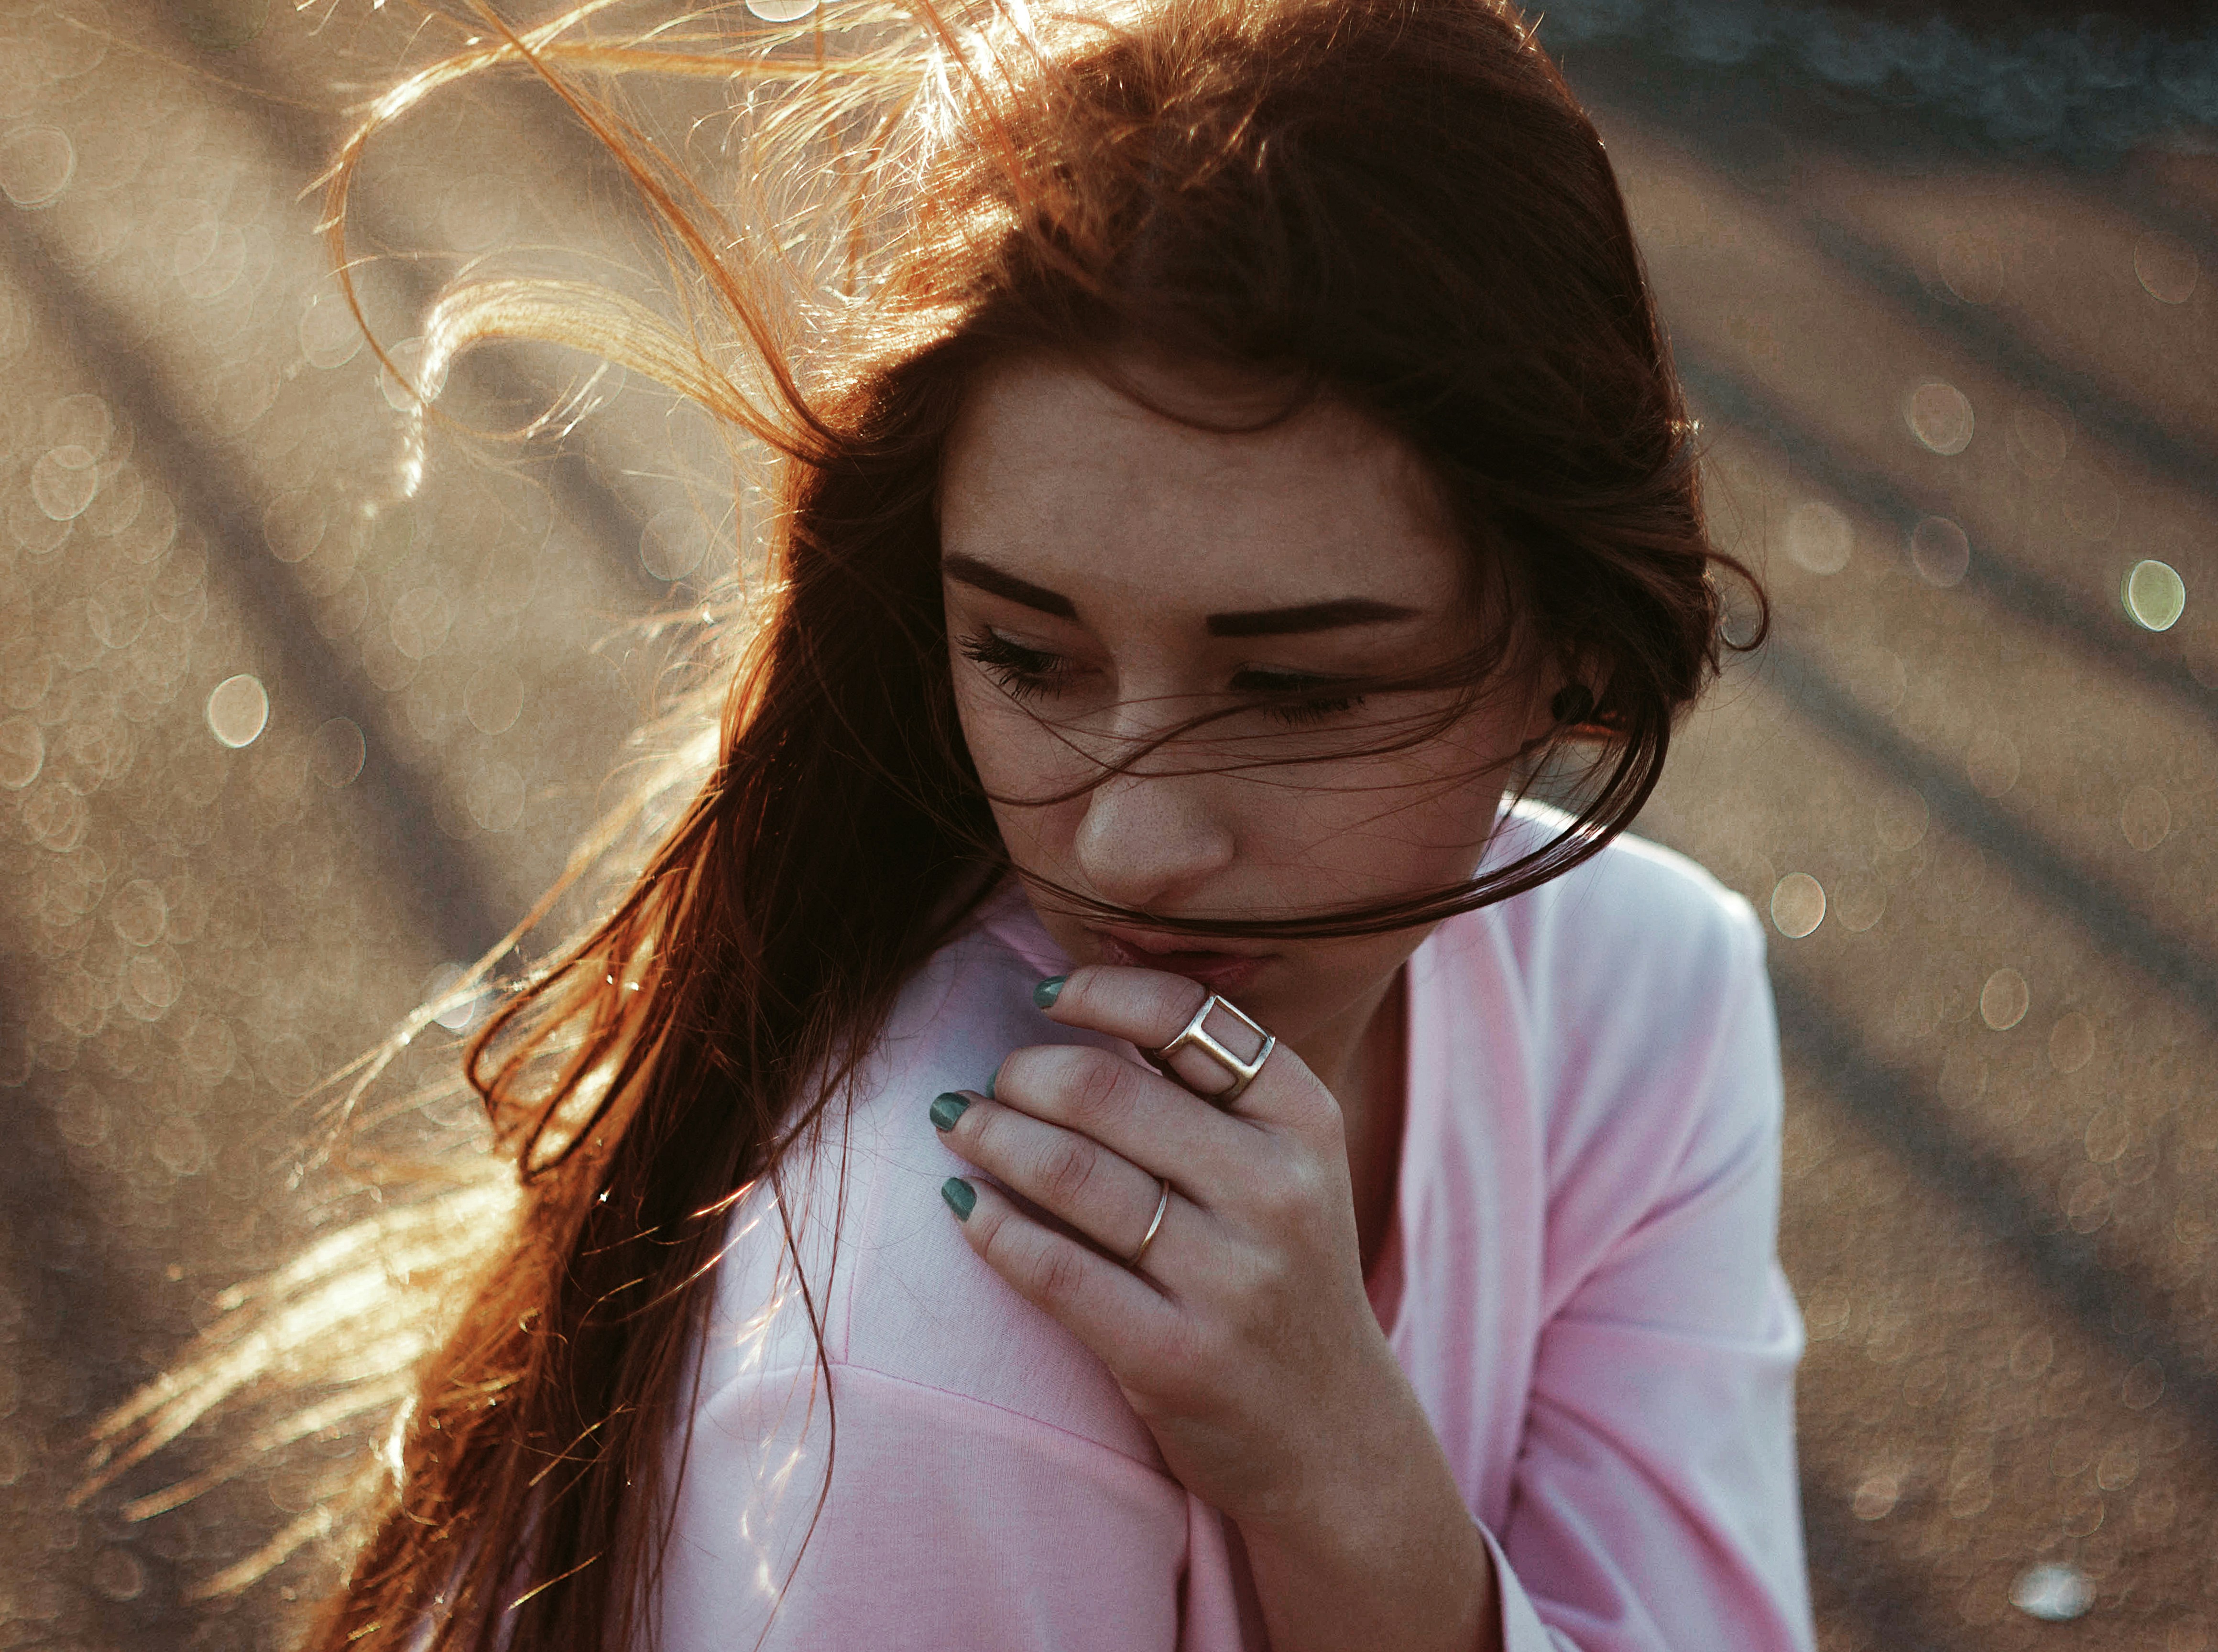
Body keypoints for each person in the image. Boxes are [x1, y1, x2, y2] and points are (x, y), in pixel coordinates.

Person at [182, 0, 1814, 1645]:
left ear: (1580, 645)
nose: (1123, 845)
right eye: (1028, 657)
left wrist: (1352, 1493)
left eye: (1302, 692)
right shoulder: (937, 1310)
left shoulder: (1646, 1002)